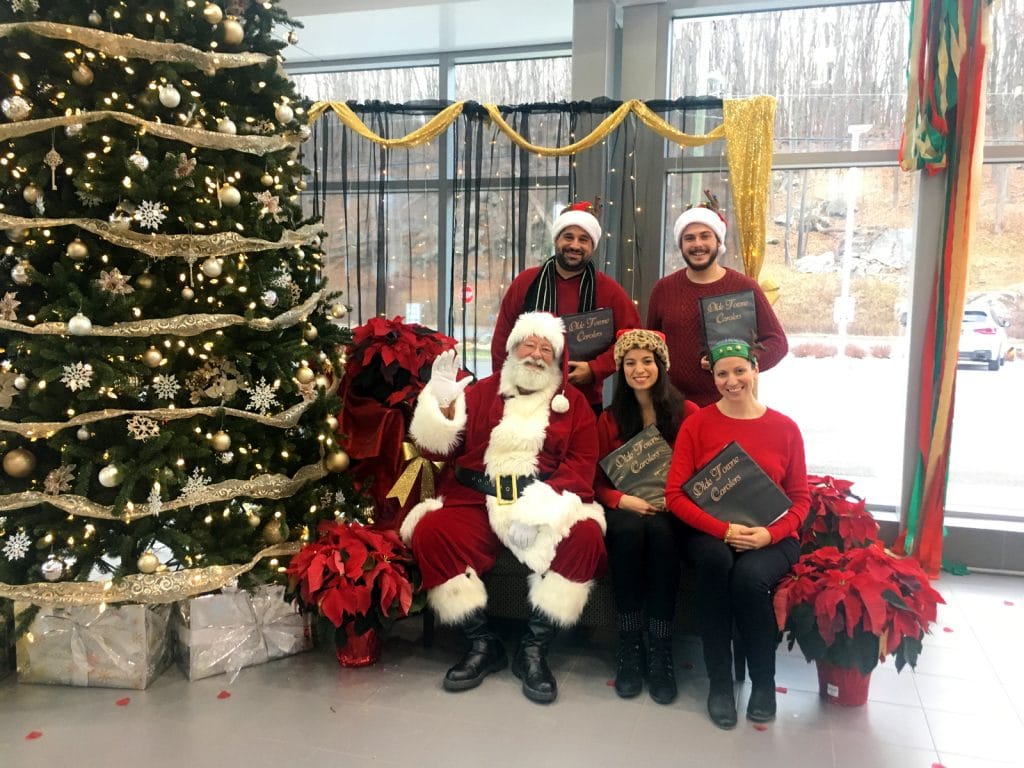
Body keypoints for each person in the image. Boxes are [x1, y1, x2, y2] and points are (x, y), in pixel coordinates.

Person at [402, 311, 608, 704]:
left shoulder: (574, 404)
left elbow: (581, 467)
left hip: (541, 502)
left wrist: (538, 511)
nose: (536, 354)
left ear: (558, 359)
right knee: (431, 531)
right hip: (474, 499)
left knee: (585, 537)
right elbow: (434, 449)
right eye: (528, 344)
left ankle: (534, 649)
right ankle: (481, 644)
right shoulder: (480, 393)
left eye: (546, 348)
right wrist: (442, 404)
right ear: (512, 349)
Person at [664, 338, 810, 729]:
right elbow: (675, 495)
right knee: (714, 565)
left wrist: (768, 535)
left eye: (739, 371)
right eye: (722, 373)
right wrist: (723, 530)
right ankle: (720, 685)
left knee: (749, 578)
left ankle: (764, 683)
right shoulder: (697, 424)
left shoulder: (785, 428)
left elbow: (800, 500)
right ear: (713, 378)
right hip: (713, 533)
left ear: (755, 371)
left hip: (772, 536)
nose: (732, 380)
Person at [595, 329, 698, 705]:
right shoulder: (609, 420)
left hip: (673, 512)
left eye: (648, 361)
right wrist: (622, 500)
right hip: (626, 511)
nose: (640, 369)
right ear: (621, 369)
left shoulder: (687, 414)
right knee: (628, 531)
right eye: (630, 362)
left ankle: (660, 650)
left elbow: (700, 474)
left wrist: (677, 499)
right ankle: (629, 647)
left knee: (663, 535)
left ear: (662, 365)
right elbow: (594, 483)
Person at [490, 201, 641, 412]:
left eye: (583, 239)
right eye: (568, 237)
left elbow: (633, 340)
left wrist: (595, 368)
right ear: (556, 240)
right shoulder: (526, 282)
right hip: (523, 399)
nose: (575, 245)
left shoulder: (609, 291)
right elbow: (501, 341)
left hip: (583, 402)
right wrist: (503, 388)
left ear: (593, 246)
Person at [647, 203, 788, 407]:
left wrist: (741, 362)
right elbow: (652, 347)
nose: (697, 244)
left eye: (705, 236)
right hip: (674, 407)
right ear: (681, 245)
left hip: (732, 405)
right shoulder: (663, 289)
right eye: (689, 238)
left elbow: (778, 342)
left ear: (718, 241)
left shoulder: (744, 286)